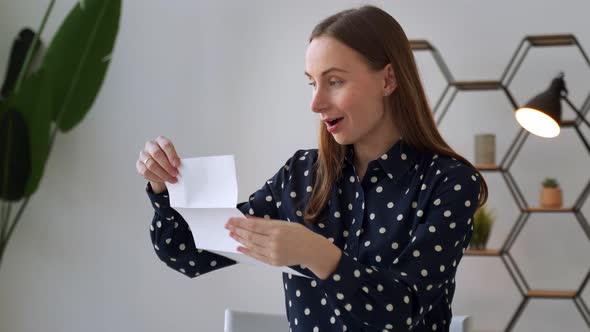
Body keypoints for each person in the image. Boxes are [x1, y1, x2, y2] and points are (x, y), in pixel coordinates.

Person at [136, 5, 488, 332]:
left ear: (388, 80)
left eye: (334, 81)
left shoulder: (449, 183)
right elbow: (187, 252)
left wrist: (316, 253)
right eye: (312, 82)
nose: (316, 103)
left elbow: (401, 311)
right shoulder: (301, 175)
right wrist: (163, 187)